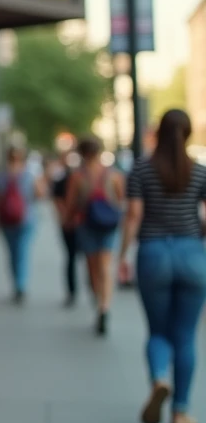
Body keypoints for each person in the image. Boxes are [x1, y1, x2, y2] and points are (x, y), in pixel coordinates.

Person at [117, 110, 206, 423]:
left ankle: (158, 380)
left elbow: (133, 215)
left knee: (157, 331)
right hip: (192, 255)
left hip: (153, 254)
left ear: (159, 133)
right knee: (185, 336)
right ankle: (180, 412)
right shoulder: (199, 172)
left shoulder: (141, 169)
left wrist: (123, 255)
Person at [63, 136, 125, 335]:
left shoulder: (78, 177)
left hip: (87, 225)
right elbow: (120, 201)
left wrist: (67, 221)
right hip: (108, 226)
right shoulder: (113, 175)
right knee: (106, 267)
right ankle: (104, 307)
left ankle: (99, 302)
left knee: (92, 268)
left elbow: (71, 204)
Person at [0, 146, 45, 304]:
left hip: (7, 220)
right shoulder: (30, 174)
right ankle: (20, 285)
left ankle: (17, 283)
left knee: (13, 253)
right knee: (22, 252)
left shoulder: (1, 176)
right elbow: (40, 194)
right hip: (27, 218)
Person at [50, 151, 82, 307]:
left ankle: (74, 291)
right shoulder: (65, 179)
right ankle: (75, 291)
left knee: (72, 258)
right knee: (75, 258)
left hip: (75, 223)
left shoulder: (76, 178)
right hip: (75, 223)